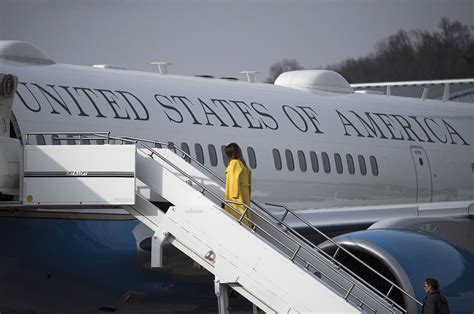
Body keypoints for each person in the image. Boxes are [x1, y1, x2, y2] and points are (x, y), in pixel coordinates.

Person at [224, 143, 252, 227]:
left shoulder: (234, 163)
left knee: (238, 217)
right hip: (244, 194)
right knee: (245, 216)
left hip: (237, 197)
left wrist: (231, 200)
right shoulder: (242, 164)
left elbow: (233, 183)